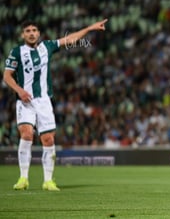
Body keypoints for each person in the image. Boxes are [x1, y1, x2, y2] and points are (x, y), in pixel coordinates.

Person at [3, 19, 108, 191]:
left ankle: (48, 181)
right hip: (25, 101)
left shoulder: (47, 47)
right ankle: (23, 178)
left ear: (38, 33)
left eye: (34, 30)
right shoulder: (17, 52)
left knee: (48, 138)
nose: (31, 33)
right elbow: (7, 76)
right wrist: (19, 90)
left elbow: (70, 40)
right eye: (27, 30)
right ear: (23, 34)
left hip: (44, 101)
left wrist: (89, 28)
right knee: (27, 133)